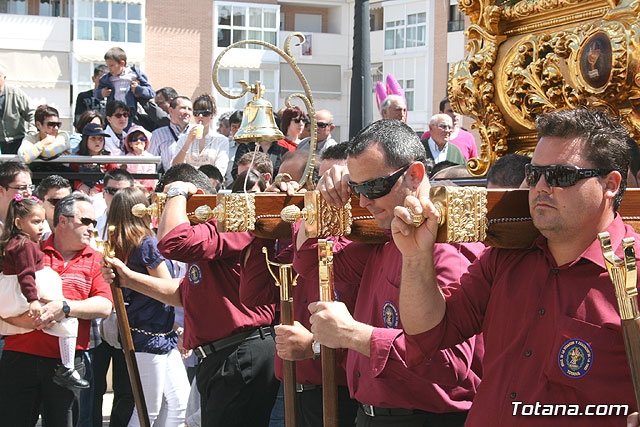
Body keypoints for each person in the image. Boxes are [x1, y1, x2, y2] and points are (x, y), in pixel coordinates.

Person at [393, 108, 637, 426]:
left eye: (561, 176)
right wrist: (414, 257)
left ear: (611, 185)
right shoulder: (505, 257)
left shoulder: (632, 273)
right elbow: (428, 333)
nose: (541, 188)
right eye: (534, 174)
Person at [294, 119, 482, 426]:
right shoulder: (385, 238)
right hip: (373, 415)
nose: (364, 201)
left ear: (414, 175)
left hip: (426, 418)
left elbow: (449, 363)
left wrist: (353, 335)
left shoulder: (448, 246)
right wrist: (321, 199)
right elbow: (308, 263)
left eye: (373, 187)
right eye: (356, 189)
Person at [101, 163, 280, 426]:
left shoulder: (230, 221)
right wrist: (128, 278)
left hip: (241, 351)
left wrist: (175, 192)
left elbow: (172, 241)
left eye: (168, 209)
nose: (164, 218)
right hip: (225, 355)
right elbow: (185, 293)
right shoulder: (209, 236)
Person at [0, 193, 113, 426]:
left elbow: (104, 306)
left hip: (67, 362)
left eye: (94, 222)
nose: (92, 228)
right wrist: (24, 321)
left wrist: (65, 307)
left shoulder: (97, 259)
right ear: (63, 220)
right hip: (20, 356)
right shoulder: (28, 247)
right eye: (86, 221)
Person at [107, 187, 190, 426]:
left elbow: (150, 296)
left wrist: (176, 326)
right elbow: (168, 289)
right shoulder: (145, 245)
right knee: (148, 410)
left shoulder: (119, 245)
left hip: (156, 332)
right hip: (148, 335)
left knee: (178, 403)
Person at [0, 194, 88, 390]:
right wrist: (32, 300)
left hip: (11, 295)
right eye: (35, 222)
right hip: (21, 296)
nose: (41, 227)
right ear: (18, 222)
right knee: (68, 320)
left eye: (43, 222)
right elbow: (26, 275)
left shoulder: (14, 241)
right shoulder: (25, 245)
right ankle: (68, 367)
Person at [94, 47, 155, 124]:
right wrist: (101, 93)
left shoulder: (135, 74)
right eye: (107, 66)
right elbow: (96, 93)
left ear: (122, 63)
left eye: (112, 65)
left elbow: (151, 93)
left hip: (129, 115)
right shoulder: (106, 79)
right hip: (113, 115)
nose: (109, 69)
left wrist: (138, 89)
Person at [172, 94, 229, 175]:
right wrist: (188, 141)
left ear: (212, 115)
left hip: (211, 183)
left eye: (205, 113)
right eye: (196, 113)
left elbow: (220, 170)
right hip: (188, 182)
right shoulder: (184, 138)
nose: (200, 116)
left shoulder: (220, 140)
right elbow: (175, 166)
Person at [71, 123, 119, 196]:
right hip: (81, 191)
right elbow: (71, 177)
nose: (97, 142)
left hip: (103, 192)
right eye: (93, 138)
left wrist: (99, 188)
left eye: (100, 138)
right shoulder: (77, 158)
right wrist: (80, 185)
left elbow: (115, 177)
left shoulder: (107, 158)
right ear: (85, 140)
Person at [149, 96, 193, 172]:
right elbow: (151, 165)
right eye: (183, 108)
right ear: (171, 111)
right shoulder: (158, 135)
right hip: (170, 181)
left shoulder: (197, 132)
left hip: (195, 181)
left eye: (189, 109)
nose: (186, 112)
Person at [0, 64, 35, 154]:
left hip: (17, 141)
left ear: (4, 78)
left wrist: (31, 133)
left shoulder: (16, 94)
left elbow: (32, 114)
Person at [35, 174, 72, 239]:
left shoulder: (81, 231)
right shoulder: (32, 233)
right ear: (41, 204)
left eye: (67, 201)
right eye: (55, 202)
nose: (62, 206)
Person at [123, 125, 157, 193]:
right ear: (130, 144)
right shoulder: (127, 157)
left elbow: (150, 173)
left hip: (146, 188)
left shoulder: (150, 157)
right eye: (135, 139)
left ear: (146, 142)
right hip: (132, 187)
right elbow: (127, 173)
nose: (139, 141)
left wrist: (143, 186)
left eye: (142, 139)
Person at [0, 161, 33, 227]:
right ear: (1, 190)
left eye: (30, 187)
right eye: (22, 188)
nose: (29, 193)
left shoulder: (37, 221)